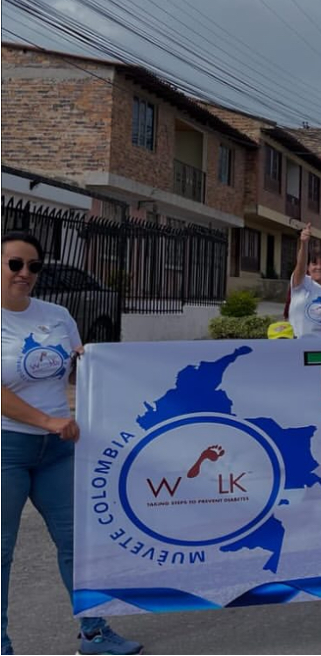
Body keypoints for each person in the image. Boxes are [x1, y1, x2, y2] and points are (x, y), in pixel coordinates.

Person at [1, 231, 142, 656]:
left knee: (79, 546)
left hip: (59, 452)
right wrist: (47, 419)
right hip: (8, 449)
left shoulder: (58, 314)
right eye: (15, 264)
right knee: (1, 552)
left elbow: (80, 370)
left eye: (33, 266)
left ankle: (94, 633)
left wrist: (97, 367)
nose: (25, 273)